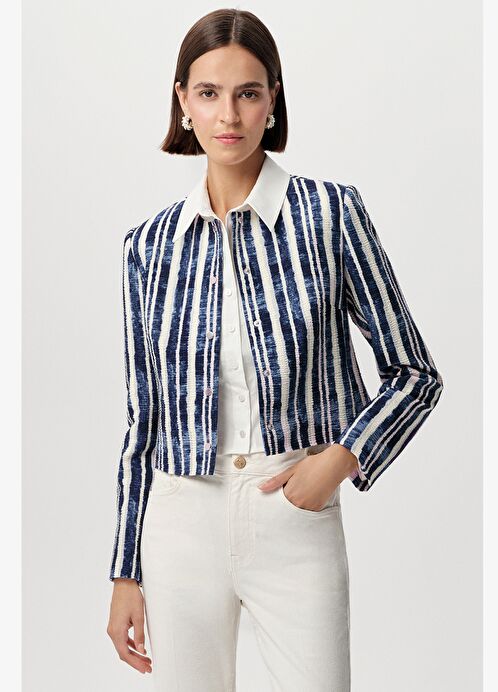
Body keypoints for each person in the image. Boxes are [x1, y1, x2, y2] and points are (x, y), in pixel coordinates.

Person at [106, 8, 444, 691]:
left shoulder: (330, 215)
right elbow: (144, 421)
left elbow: (414, 373)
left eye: (248, 92)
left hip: (293, 511)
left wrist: (339, 461)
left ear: (272, 100)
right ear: (183, 102)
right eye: (209, 93)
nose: (228, 114)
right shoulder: (148, 246)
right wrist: (124, 571)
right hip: (178, 523)